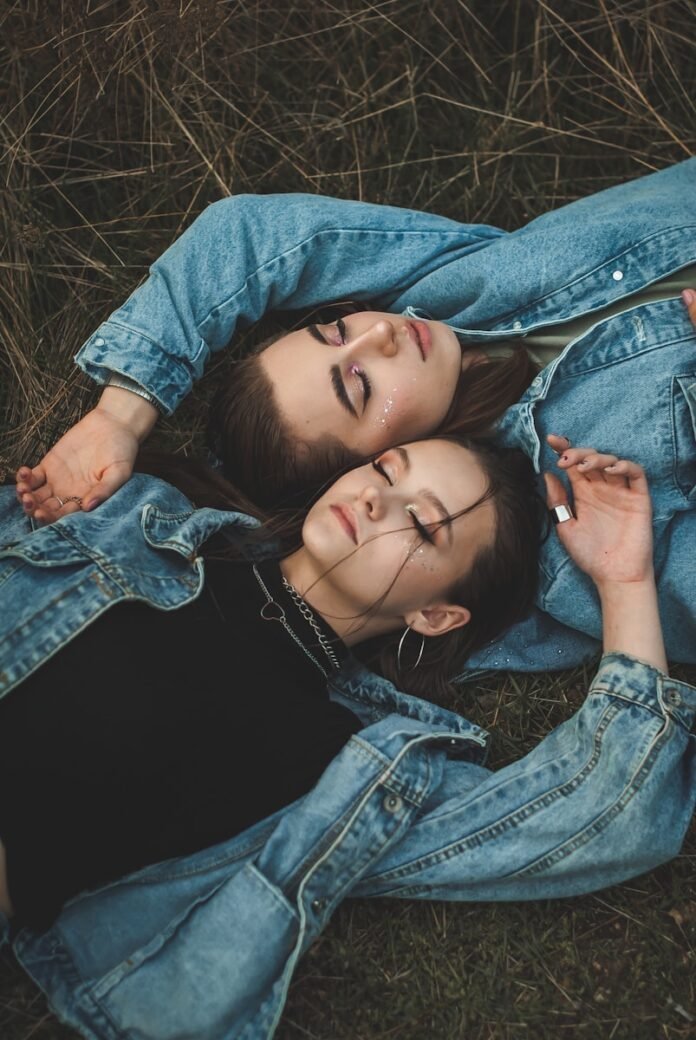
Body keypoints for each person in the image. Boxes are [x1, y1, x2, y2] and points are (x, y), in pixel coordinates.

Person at [2, 434, 694, 1040]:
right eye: (386, 469)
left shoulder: (359, 771)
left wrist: (624, 579)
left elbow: (607, 814)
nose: (374, 500)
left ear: (434, 617)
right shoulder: (144, 518)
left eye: (421, 524)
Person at [15, 159, 696, 674]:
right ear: (378, 459)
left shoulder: (446, 294)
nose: (384, 336)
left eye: (338, 332)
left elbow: (248, 235)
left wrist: (123, 414)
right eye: (362, 388)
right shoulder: (577, 516)